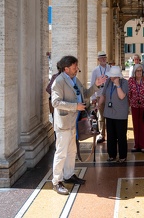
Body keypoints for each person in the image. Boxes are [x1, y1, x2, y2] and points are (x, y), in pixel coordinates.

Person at [51, 55, 107, 195]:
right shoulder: (59, 82)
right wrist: (75, 106)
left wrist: (96, 84)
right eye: (75, 67)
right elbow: (55, 103)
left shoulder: (75, 80)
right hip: (64, 124)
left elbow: (86, 94)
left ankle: (69, 175)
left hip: (74, 123)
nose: (77, 69)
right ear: (66, 68)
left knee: (71, 152)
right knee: (61, 153)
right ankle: (56, 181)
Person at [99, 66, 129, 163]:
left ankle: (122, 156)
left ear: (117, 76)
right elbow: (103, 95)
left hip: (121, 114)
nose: (111, 78)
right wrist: (99, 105)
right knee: (111, 135)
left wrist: (117, 85)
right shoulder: (108, 82)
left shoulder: (124, 83)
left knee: (121, 136)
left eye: (113, 76)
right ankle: (112, 155)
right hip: (109, 112)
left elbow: (121, 96)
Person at [128, 64, 144, 152]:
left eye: (140, 71)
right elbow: (128, 93)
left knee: (142, 125)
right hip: (134, 105)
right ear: (134, 72)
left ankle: (143, 145)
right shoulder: (131, 80)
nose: (139, 73)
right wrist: (128, 105)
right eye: (137, 71)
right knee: (135, 125)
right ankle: (136, 144)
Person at [90, 51, 111, 143]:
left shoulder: (110, 68)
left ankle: (111, 134)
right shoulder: (95, 70)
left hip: (110, 95)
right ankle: (102, 135)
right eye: (101, 58)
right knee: (101, 116)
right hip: (99, 95)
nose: (103, 59)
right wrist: (93, 98)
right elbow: (92, 84)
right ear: (98, 60)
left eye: (104, 58)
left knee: (110, 115)